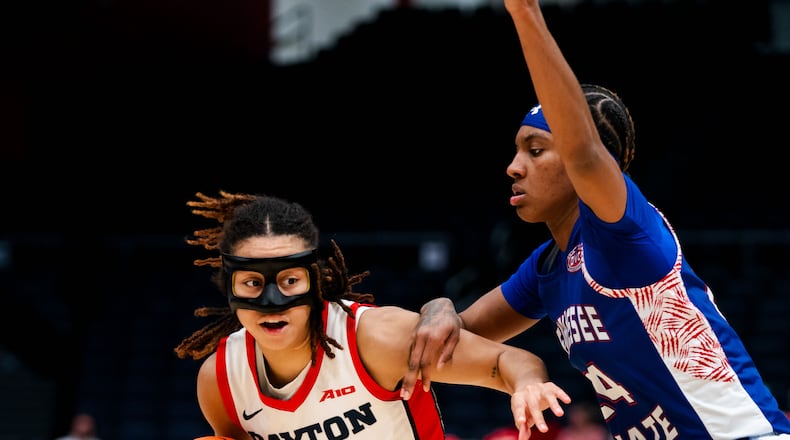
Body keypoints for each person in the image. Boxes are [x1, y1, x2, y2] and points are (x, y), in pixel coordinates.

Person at [401, 0, 790, 438]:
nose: (513, 167)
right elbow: (462, 330)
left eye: (535, 149)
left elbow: (585, 153)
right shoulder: (548, 266)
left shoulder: (623, 234)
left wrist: (526, 14)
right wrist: (438, 308)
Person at [174, 191, 571, 440]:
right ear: (231, 288)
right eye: (252, 285)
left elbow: (511, 360)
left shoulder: (375, 339)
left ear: (315, 281)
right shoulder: (220, 378)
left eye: (290, 281)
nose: (272, 301)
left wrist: (527, 385)